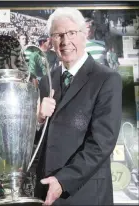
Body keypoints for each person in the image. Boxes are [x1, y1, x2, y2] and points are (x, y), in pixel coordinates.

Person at [35, 7, 122, 205]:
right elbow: (40, 143)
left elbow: (102, 143)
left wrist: (63, 181)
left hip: (85, 192)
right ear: (51, 40)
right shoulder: (45, 82)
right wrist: (38, 120)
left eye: (72, 33)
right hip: (46, 191)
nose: (65, 42)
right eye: (58, 35)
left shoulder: (107, 79)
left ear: (85, 35)